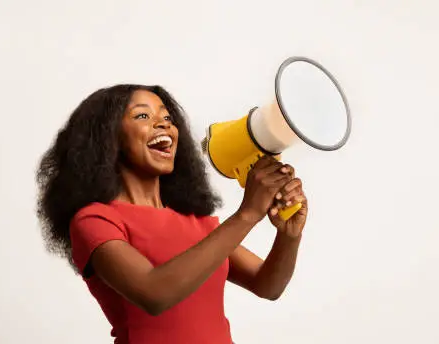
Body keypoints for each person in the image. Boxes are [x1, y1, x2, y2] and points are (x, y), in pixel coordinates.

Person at [35, 84, 308, 344]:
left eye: (167, 117)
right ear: (108, 138)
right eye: (142, 115)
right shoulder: (94, 220)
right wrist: (247, 214)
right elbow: (155, 294)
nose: (164, 123)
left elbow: (267, 286)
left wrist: (289, 235)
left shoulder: (197, 221)